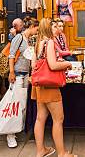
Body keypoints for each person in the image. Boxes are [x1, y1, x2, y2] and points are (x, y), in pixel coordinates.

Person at [32, 18, 76, 157]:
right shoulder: (50, 42)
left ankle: (41, 151)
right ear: (48, 28)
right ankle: (62, 153)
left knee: (40, 118)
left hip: (39, 84)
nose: (56, 29)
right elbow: (52, 65)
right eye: (54, 26)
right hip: (49, 85)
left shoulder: (38, 42)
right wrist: (67, 65)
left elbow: (34, 65)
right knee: (58, 120)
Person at [5, 17, 39, 148]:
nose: (37, 31)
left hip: (25, 74)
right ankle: (10, 134)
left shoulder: (28, 39)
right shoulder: (18, 38)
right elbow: (11, 55)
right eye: (36, 28)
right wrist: (11, 72)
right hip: (18, 74)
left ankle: (16, 128)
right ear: (31, 27)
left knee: (22, 104)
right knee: (14, 103)